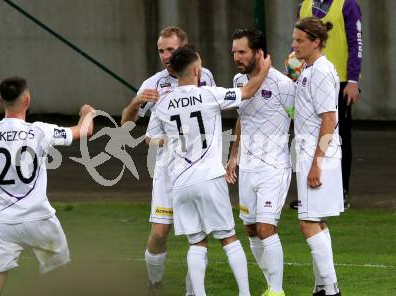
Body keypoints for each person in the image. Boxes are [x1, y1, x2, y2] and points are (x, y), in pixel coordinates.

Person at [146, 46, 271, 296]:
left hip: (180, 182)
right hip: (209, 177)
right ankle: (245, 294)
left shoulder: (163, 103)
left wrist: (171, 140)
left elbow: (150, 139)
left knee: (196, 242)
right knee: (228, 238)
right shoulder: (209, 95)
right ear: (196, 70)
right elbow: (247, 91)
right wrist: (264, 69)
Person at [0, 76, 95, 296]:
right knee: (61, 279)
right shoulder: (40, 131)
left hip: (0, 222)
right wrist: (88, 113)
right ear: (27, 100)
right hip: (39, 219)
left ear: (1, 101)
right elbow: (84, 131)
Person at [120, 26, 216, 295]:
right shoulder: (153, 84)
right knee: (160, 232)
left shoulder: (203, 76)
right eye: (161, 50)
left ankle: (193, 291)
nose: (165, 55)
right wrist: (136, 102)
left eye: (171, 49)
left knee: (198, 235)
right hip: (167, 169)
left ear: (184, 48)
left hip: (198, 166)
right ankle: (154, 284)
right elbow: (126, 125)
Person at [226, 28, 295, 296]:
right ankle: (270, 283)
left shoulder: (283, 85)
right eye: (234, 52)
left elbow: (296, 118)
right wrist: (234, 155)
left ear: (258, 52)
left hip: (274, 168)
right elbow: (242, 116)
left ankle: (276, 291)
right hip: (248, 168)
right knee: (251, 229)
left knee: (267, 228)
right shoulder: (238, 80)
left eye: (242, 52)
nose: (236, 57)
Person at [292, 0, 362, 209]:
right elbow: (297, 41)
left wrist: (353, 80)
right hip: (307, 75)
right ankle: (309, 189)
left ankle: (340, 190)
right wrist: (293, 70)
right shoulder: (305, 4)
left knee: (339, 135)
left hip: (338, 81)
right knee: (307, 131)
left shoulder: (347, 4)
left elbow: (355, 43)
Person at [292, 17, 344, 296]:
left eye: (300, 40)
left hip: (318, 154)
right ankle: (321, 288)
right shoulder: (310, 69)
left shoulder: (321, 71)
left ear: (316, 42)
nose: (294, 45)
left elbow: (329, 118)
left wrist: (317, 162)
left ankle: (332, 289)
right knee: (317, 221)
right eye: (294, 39)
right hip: (310, 152)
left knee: (307, 221)